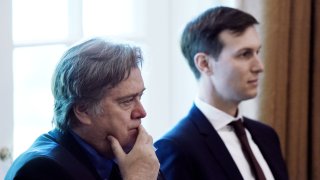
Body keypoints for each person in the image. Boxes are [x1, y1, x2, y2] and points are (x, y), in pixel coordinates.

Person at [155, 6, 288, 180]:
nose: (259, 66)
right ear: (204, 63)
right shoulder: (177, 147)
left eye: (257, 52)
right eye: (244, 54)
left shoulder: (267, 136)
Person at [5, 38, 162, 180]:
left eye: (139, 97)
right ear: (83, 110)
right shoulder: (40, 171)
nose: (141, 112)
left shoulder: (134, 155)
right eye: (127, 101)